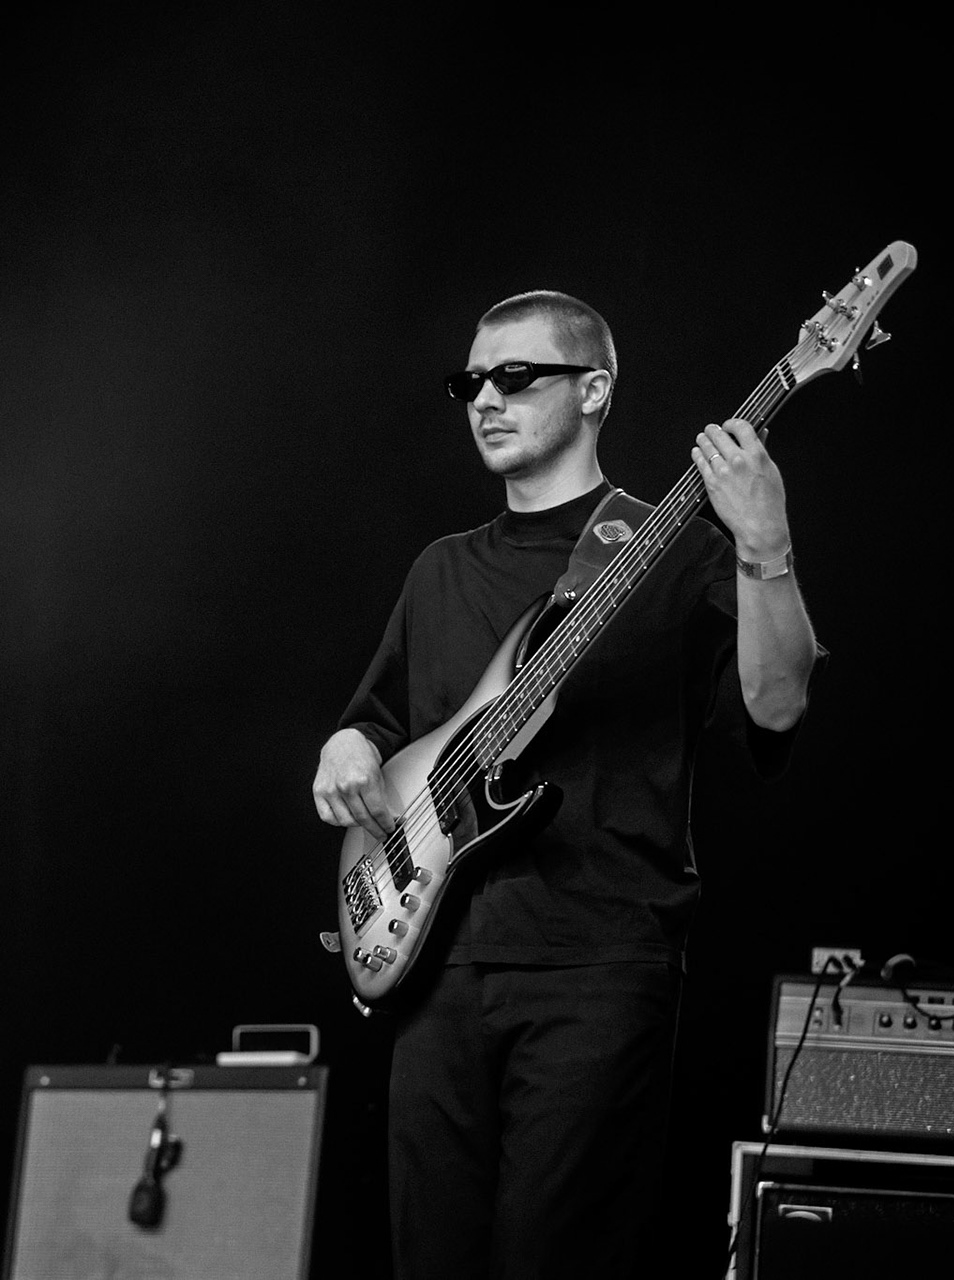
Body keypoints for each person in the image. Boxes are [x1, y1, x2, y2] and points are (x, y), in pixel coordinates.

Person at [310, 292, 818, 1278]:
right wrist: (345, 748)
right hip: (438, 963)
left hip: (599, 962)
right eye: (471, 383)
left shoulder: (681, 548)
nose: (485, 400)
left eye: (516, 377)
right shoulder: (440, 569)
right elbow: (375, 724)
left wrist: (766, 544)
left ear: (595, 390)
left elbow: (781, 701)